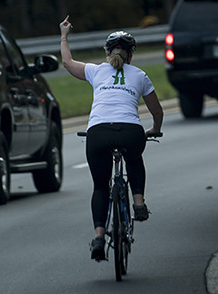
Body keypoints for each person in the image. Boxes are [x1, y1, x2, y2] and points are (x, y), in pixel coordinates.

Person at [59, 15, 164, 262]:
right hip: (130, 131)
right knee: (134, 158)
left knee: (99, 185)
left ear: (108, 53)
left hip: (98, 132)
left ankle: (98, 237)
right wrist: (155, 129)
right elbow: (156, 111)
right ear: (131, 55)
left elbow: (67, 62)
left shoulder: (96, 71)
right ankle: (138, 202)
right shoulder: (140, 75)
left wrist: (64, 35)